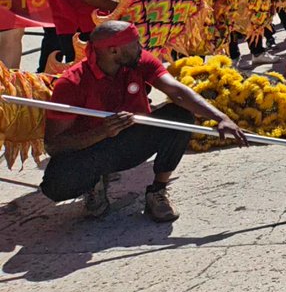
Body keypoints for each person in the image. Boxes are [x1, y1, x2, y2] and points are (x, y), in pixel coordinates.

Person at [39, 21, 247, 221]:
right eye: (135, 43)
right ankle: (93, 184)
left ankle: (157, 191)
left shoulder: (140, 60)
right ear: (114, 51)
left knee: (180, 116)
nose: (141, 47)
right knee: (55, 185)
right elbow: (53, 145)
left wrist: (221, 117)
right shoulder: (71, 83)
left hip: (133, 139)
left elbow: (177, 92)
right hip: (93, 148)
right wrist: (102, 132)